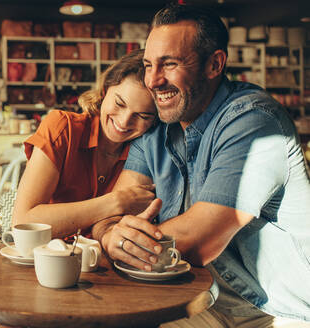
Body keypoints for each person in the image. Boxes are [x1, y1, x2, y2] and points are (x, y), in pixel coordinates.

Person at [92, 4, 310, 327]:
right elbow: (110, 214)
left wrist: (116, 240)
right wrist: (109, 234)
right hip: (197, 298)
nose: (153, 80)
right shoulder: (157, 126)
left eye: (169, 64)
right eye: (149, 65)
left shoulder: (253, 122)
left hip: (272, 311)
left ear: (214, 64)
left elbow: (198, 241)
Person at [12, 50, 157, 239]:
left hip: (104, 264)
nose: (124, 121)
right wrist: (116, 202)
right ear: (105, 90)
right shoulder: (63, 127)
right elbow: (22, 223)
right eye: (120, 103)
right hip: (47, 260)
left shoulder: (146, 152)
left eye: (142, 115)